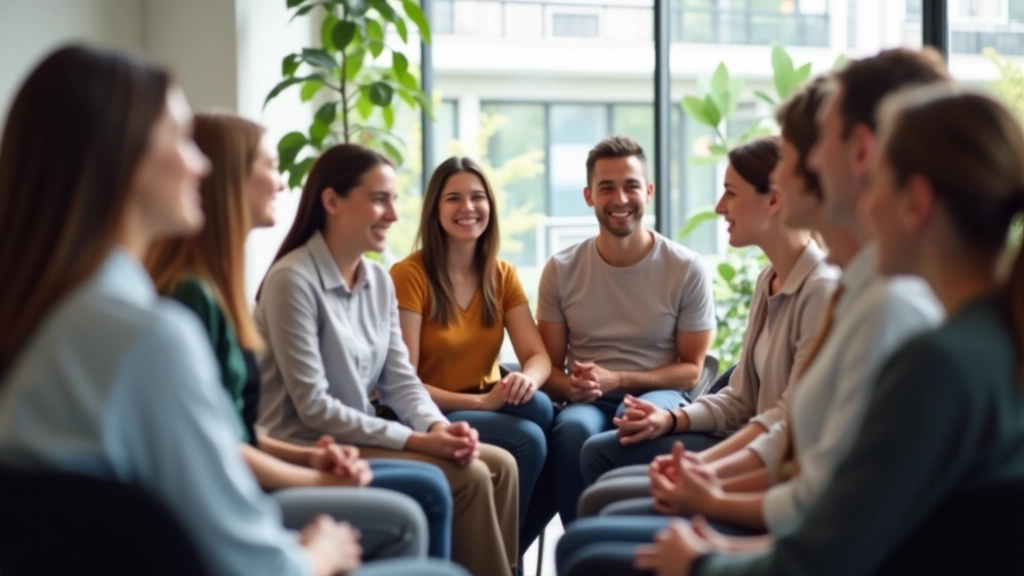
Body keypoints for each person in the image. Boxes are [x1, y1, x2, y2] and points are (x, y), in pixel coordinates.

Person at [0, 44, 465, 576]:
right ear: (119, 159)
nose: (200, 165)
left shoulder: (45, 316)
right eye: (180, 139)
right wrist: (319, 551)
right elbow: (253, 562)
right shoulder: (148, 336)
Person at [555, 47, 952, 576]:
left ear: (859, 154)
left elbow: (819, 488)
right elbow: (759, 412)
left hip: (782, 519)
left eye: (798, 157)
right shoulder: (802, 284)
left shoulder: (872, 303)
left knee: (588, 540)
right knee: (590, 505)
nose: (791, 173)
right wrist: (703, 473)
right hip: (770, 494)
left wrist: (713, 498)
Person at [631, 82, 1024, 576]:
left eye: (876, 183)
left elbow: (825, 553)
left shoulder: (936, 360)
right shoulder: (986, 341)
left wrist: (702, 562)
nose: (865, 206)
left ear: (915, 202)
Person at [145, 111, 454, 561]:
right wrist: (315, 472)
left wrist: (313, 461)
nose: (284, 183)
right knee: (424, 495)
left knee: (447, 477)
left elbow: (235, 433)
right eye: (270, 167)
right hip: (235, 491)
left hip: (275, 459)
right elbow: (217, 450)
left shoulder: (216, 287)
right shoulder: (199, 294)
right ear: (228, 178)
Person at [256, 143, 518, 576]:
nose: (394, 215)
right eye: (379, 199)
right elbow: (315, 408)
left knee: (502, 466)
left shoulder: (377, 279)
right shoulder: (293, 280)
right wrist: (419, 441)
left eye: (394, 200)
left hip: (360, 436)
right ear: (332, 201)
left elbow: (400, 379)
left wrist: (439, 427)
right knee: (470, 477)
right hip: (311, 445)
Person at [576, 136, 838, 517]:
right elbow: (742, 397)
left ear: (774, 200)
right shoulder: (769, 280)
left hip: (772, 466)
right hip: (747, 442)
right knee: (598, 455)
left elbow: (788, 421)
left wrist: (707, 472)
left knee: (604, 489)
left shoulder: (821, 291)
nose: (719, 207)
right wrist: (670, 418)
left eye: (730, 193)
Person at [522, 134, 716, 540]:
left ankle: (630, 545)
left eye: (630, 185)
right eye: (607, 187)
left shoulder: (686, 268)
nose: (620, 198)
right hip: (589, 399)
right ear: (589, 195)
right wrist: (572, 386)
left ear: (648, 191)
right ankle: (585, 548)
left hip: (657, 393)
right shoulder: (561, 269)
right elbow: (550, 371)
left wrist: (619, 379)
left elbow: (690, 371)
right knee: (572, 430)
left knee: (632, 423)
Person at [390, 156, 553, 548]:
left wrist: (525, 380)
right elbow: (403, 383)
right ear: (435, 209)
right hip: (429, 410)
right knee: (528, 440)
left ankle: (500, 550)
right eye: (454, 198)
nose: (468, 208)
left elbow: (539, 356)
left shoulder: (502, 275)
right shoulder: (409, 275)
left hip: (484, 401)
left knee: (543, 409)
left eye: (477, 197)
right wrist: (483, 402)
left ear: (490, 207)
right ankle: (499, 559)